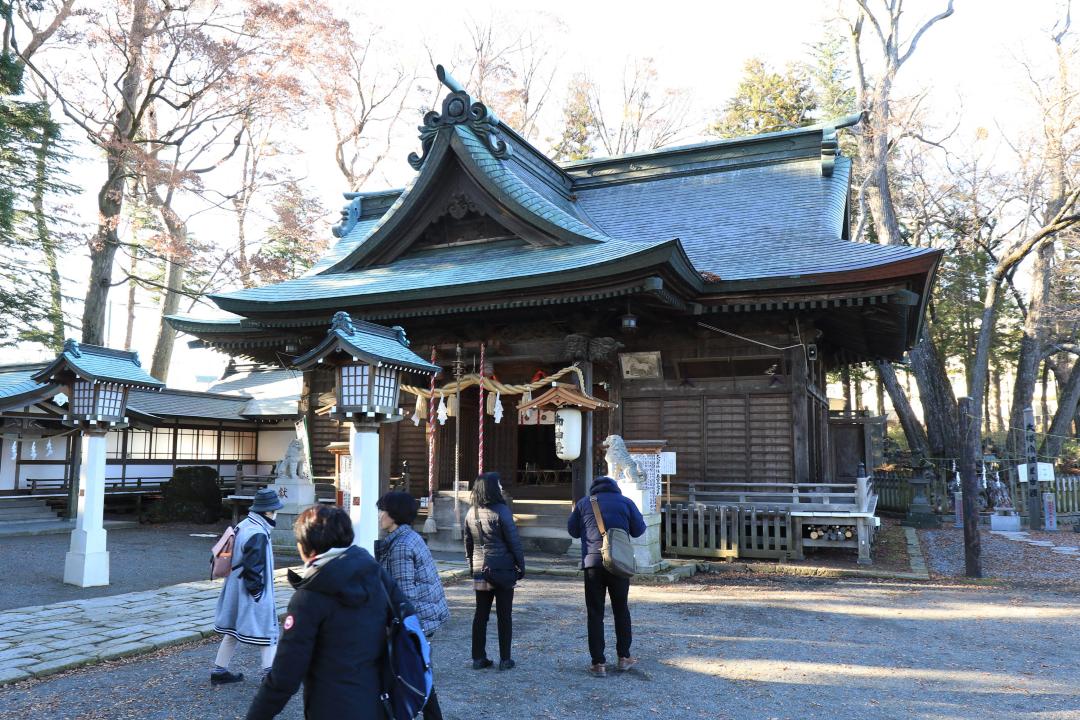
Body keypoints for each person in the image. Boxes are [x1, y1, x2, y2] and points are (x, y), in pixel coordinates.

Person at [246, 505, 412, 719]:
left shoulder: (309, 597)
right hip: (378, 703)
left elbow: (285, 676)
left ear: (306, 546)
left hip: (330, 707)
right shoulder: (376, 574)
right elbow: (410, 630)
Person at [375, 491, 449, 720]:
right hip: (428, 613)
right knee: (418, 671)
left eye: (382, 510)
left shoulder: (400, 546)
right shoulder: (407, 537)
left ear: (393, 515)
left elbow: (404, 595)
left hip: (419, 618)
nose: (379, 515)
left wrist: (397, 629)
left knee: (412, 672)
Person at [567, 475, 646, 677]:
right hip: (618, 563)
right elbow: (639, 530)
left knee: (595, 613)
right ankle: (624, 657)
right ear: (615, 488)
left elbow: (573, 531)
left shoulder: (585, 503)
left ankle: (598, 663)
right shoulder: (626, 502)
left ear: (594, 489)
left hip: (593, 563)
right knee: (621, 610)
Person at [211, 487, 283, 686]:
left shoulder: (244, 524)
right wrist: (258, 593)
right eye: (274, 509)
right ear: (268, 511)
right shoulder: (258, 532)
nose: (276, 513)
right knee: (268, 630)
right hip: (251, 590)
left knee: (232, 629)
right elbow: (254, 567)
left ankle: (219, 670)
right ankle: (270, 675)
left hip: (235, 585)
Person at [463, 471, 524, 671]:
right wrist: (520, 565)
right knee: (504, 615)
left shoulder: (472, 512)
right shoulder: (502, 511)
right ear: (491, 487)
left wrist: (471, 565)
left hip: (481, 569)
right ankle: (505, 659)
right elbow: (513, 542)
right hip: (503, 568)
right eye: (498, 484)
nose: (500, 487)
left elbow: (468, 543)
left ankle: (478, 658)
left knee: (481, 615)